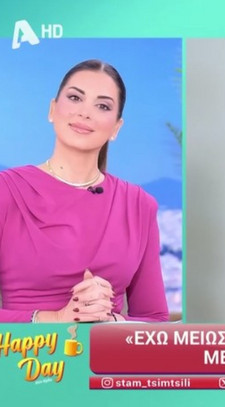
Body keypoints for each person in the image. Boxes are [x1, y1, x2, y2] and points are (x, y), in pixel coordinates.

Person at [0, 59, 169, 322]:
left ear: (116, 128)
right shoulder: (7, 191)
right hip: (29, 349)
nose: (85, 113)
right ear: (52, 109)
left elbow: (154, 319)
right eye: (75, 98)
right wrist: (55, 319)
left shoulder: (139, 205)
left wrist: (112, 321)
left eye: (102, 106)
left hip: (106, 348)